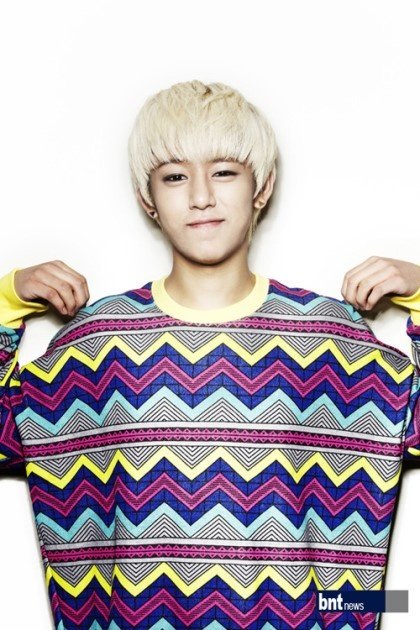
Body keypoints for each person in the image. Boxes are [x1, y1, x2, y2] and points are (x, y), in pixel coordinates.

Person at [0, 79, 419, 630]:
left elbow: (382, 599)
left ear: (262, 187)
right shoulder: (95, 342)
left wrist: (391, 607)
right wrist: (6, 299)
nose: (201, 196)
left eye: (224, 171)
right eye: (175, 176)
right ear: (148, 198)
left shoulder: (330, 337)